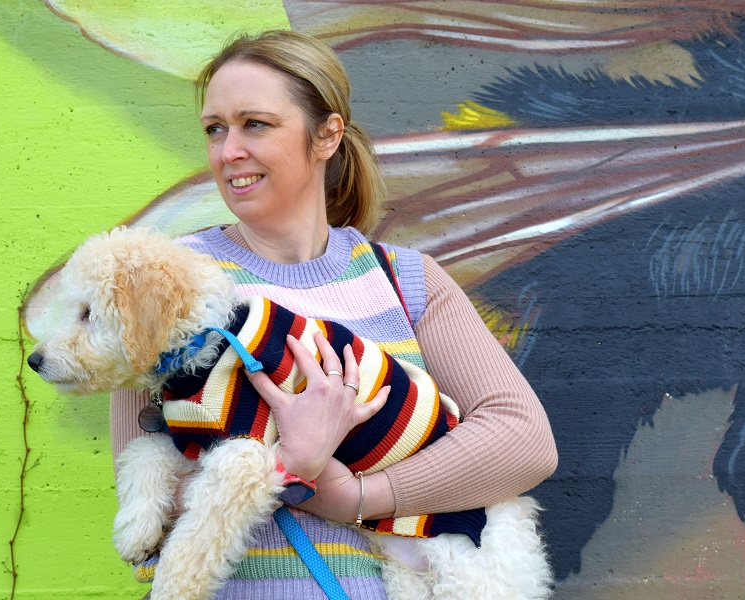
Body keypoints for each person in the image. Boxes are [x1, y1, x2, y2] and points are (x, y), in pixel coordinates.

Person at [111, 29, 558, 598]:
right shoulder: (169, 285)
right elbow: (145, 515)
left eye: (255, 124)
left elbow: (524, 440)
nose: (227, 152)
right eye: (214, 129)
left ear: (326, 135)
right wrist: (290, 464)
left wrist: (356, 498)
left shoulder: (405, 279)